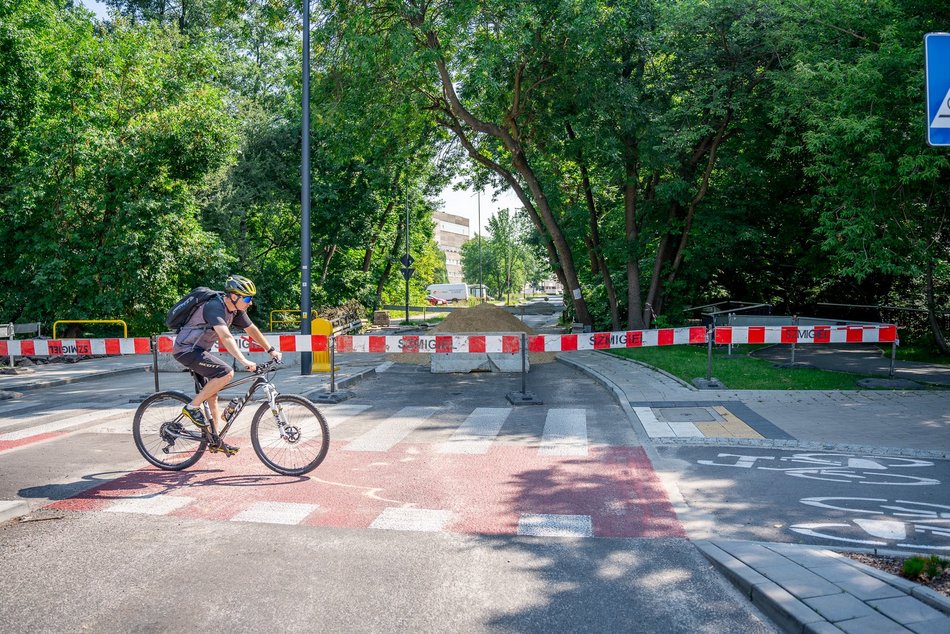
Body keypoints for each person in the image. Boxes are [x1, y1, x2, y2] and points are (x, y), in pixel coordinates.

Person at [172, 275, 282, 453]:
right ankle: (191, 407)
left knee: (212, 394)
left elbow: (252, 329)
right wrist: (243, 360)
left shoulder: (234, 311)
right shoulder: (214, 307)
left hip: (199, 351)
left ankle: (215, 439)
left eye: (251, 298)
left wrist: (270, 350)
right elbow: (225, 336)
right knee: (226, 373)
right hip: (186, 350)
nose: (250, 302)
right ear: (234, 296)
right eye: (247, 298)